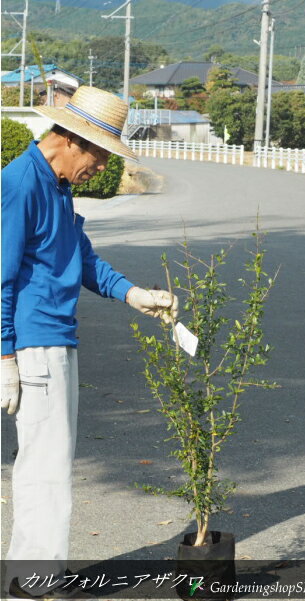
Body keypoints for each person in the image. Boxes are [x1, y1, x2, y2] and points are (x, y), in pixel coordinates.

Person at [1, 86, 178, 599]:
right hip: (33, 345)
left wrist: (135, 294)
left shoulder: (57, 187)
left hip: (55, 340)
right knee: (45, 467)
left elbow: (84, 261)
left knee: (49, 462)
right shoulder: (18, 184)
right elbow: (1, 276)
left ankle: (31, 579)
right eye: (102, 155)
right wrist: (5, 354)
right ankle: (31, 584)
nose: (103, 168)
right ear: (73, 140)